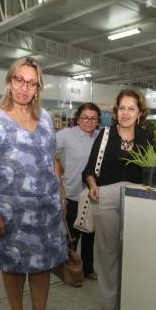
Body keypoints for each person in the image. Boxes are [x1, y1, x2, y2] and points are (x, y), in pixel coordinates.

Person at [0, 56, 66, 310]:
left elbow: (52, 160)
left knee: (42, 267)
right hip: (9, 212)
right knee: (13, 267)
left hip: (46, 211)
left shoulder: (46, 119)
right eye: (19, 80)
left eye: (31, 83)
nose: (25, 88)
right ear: (10, 82)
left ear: (38, 88)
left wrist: (60, 194)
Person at [83, 88, 153, 310]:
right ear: (116, 111)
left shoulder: (146, 138)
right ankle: (108, 303)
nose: (125, 113)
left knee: (135, 251)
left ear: (139, 112)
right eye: (122, 108)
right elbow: (90, 170)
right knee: (107, 252)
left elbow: (154, 168)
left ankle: (132, 298)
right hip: (106, 196)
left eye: (131, 108)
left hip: (137, 197)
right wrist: (92, 184)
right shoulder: (104, 135)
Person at [56, 102, 101, 280]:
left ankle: (88, 269)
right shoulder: (67, 135)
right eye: (85, 117)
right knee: (71, 237)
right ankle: (70, 270)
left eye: (93, 118)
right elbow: (47, 152)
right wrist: (57, 175)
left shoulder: (100, 137)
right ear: (78, 118)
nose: (89, 121)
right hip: (72, 193)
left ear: (98, 120)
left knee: (90, 234)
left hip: (93, 195)